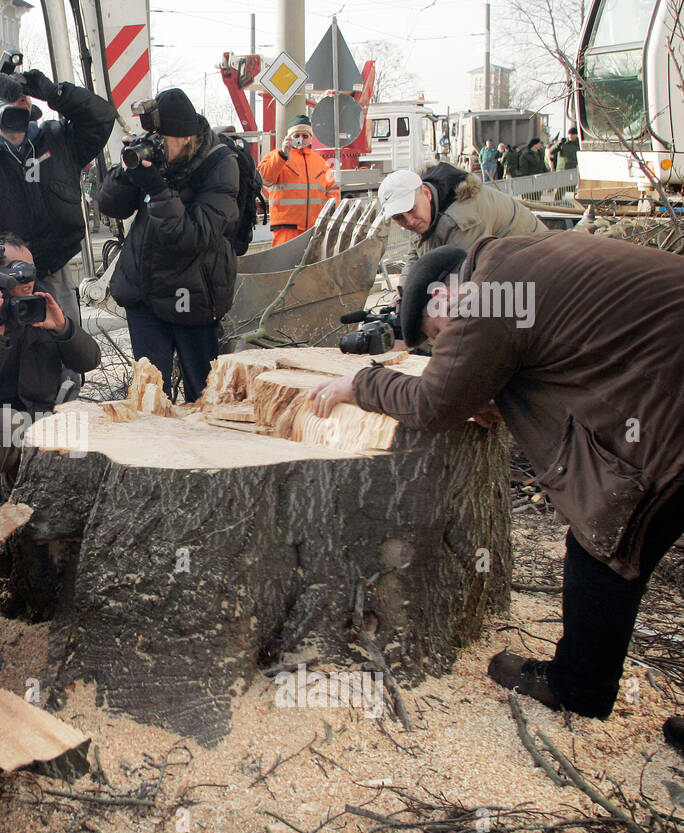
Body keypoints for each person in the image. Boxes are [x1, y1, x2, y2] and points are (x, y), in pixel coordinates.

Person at [308, 232, 684, 746]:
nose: (441, 346)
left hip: (670, 406)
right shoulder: (523, 257)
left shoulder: (488, 296)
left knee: (605, 532)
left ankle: (577, 686)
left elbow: (435, 404)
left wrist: (360, 385)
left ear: (443, 296)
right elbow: (563, 353)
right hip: (664, 375)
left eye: (435, 335)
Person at [0, 64, 115, 324]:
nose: (17, 105)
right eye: (8, 100)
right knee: (6, 355)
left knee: (66, 350)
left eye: (22, 97)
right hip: (2, 280)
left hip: (54, 272)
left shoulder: (57, 140)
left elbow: (102, 117)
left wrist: (55, 93)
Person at [96, 88, 239, 404]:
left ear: (187, 137)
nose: (156, 144)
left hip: (193, 297)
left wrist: (157, 189)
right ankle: (153, 453)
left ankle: (201, 453)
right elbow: (110, 206)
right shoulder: (156, 156)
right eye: (153, 136)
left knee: (201, 399)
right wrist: (125, 171)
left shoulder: (220, 165)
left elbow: (191, 238)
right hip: (145, 295)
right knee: (149, 397)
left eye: (163, 139)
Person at [0, 235, 101, 501]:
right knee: (3, 423)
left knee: (83, 431)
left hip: (40, 422)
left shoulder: (41, 308)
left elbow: (89, 361)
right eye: (18, 272)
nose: (28, 281)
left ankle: (37, 510)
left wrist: (64, 329)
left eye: (31, 271)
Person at [378, 162, 544, 264]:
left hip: (542, 264)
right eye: (399, 217)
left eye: (411, 210)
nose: (410, 222)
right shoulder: (425, 211)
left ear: (427, 193)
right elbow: (416, 257)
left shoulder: (463, 218)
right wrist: (403, 294)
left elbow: (462, 279)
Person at [257, 114, 339, 247]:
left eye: (305, 136)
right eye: (296, 136)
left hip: (315, 228)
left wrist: (329, 217)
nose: (301, 139)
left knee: (312, 266)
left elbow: (333, 189)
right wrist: (282, 155)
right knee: (284, 265)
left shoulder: (320, 162)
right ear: (289, 137)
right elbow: (264, 179)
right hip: (286, 228)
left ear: (311, 138)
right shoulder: (277, 156)